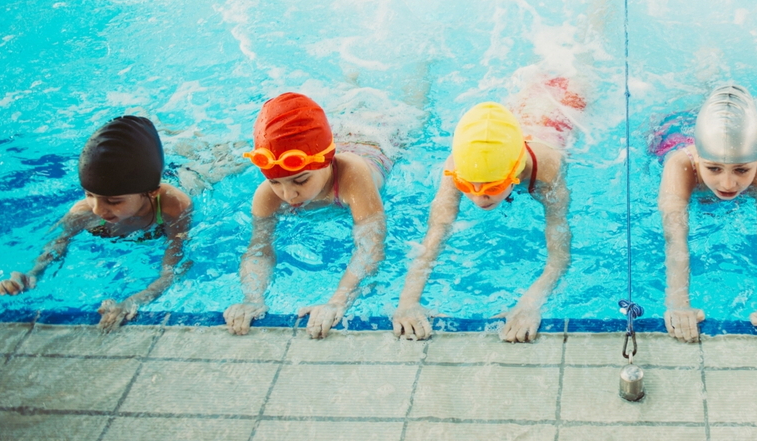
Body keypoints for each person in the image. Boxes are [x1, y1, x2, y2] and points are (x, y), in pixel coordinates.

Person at [394, 85, 581, 343]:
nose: (479, 196)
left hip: (561, 112)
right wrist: (408, 301)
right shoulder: (458, 165)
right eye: (467, 185)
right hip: (519, 119)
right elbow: (436, 231)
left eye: (492, 187)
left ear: (515, 173)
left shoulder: (548, 170)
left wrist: (529, 304)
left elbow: (560, 254)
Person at [223, 91, 402, 339]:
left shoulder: (353, 177)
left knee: (408, 109)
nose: (288, 194)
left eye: (300, 180)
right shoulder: (267, 194)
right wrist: (252, 298)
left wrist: (338, 301)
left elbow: (371, 247)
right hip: (330, 140)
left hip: (376, 140)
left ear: (326, 162)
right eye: (275, 182)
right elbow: (259, 250)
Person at [0, 116, 193, 331]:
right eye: (90, 195)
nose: (98, 209)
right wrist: (32, 273)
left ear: (152, 193)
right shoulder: (82, 212)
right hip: (145, 176)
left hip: (185, 176)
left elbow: (172, 269)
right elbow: (56, 246)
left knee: (218, 165)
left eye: (113, 201)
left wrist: (135, 300)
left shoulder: (174, 207)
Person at [652, 84, 757, 343]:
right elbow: (675, 239)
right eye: (714, 169)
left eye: (741, 170)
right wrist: (678, 302)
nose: (728, 184)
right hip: (670, 131)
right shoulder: (680, 167)